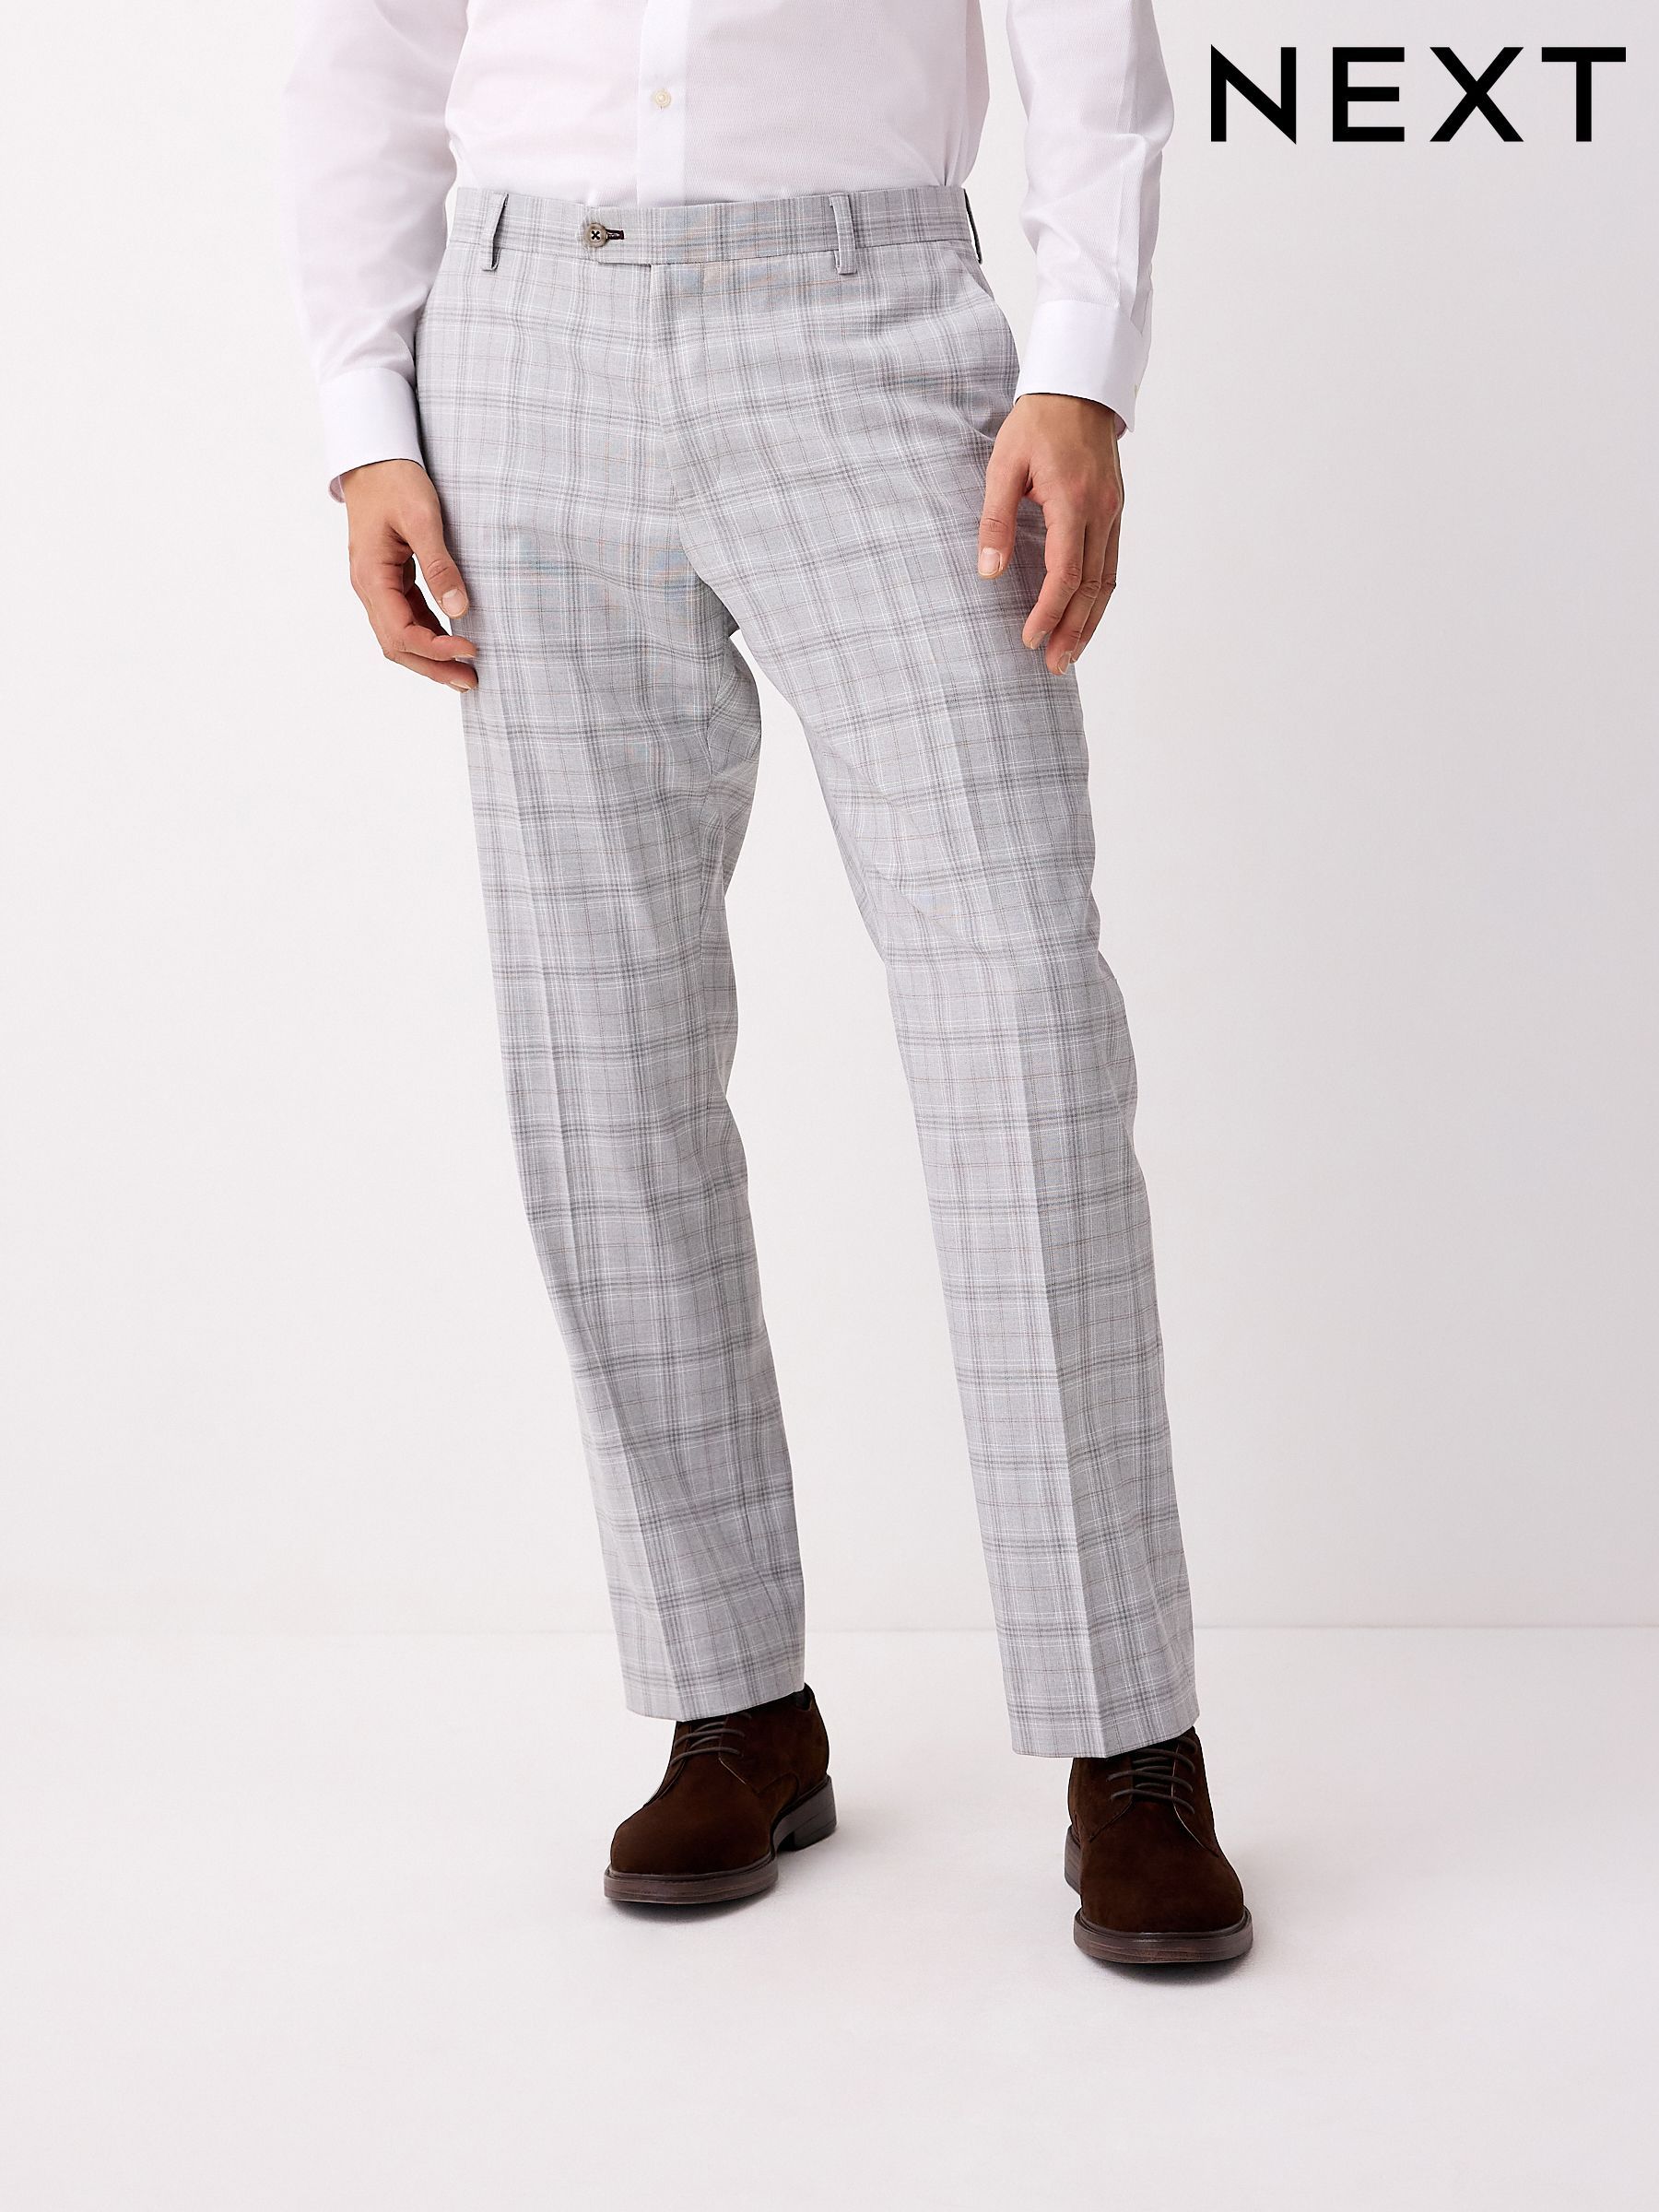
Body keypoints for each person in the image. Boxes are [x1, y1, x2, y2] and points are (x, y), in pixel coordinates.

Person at [281, 0, 1251, 1966]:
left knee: (1021, 1030)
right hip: (523, 343)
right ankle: (732, 1701)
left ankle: (1129, 1739)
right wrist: (364, 418)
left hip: (872, 322)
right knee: (603, 1049)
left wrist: (1082, 364)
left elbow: (1087, 32)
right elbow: (367, 40)